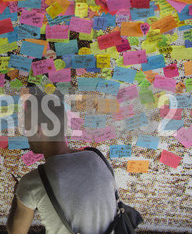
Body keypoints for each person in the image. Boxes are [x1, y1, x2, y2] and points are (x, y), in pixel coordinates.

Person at [7, 86, 117, 234]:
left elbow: (15, 232)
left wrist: (18, 194)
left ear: (39, 130)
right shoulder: (96, 157)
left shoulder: (33, 182)